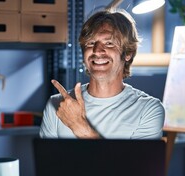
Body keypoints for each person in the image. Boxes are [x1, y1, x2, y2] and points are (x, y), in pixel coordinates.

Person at [39, 9, 165, 139]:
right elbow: (47, 159)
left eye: (109, 43)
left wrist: (79, 126)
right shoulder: (57, 105)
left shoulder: (148, 110)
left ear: (128, 53)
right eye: (91, 43)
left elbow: (135, 160)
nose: (97, 51)